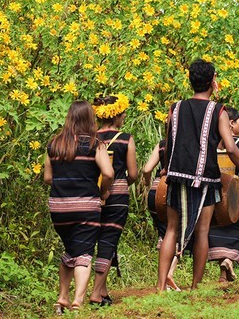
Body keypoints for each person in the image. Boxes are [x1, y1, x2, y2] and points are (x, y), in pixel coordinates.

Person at [156, 59, 239, 292]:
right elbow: (230, 147)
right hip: (206, 180)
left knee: (171, 229)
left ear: (191, 81)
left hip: (177, 175)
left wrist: (168, 168)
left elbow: (170, 142)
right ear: (213, 82)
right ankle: (195, 287)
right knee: (202, 231)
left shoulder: (175, 107)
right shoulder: (217, 110)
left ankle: (160, 286)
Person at [44, 101, 113, 314]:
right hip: (85, 205)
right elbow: (109, 173)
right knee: (83, 253)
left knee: (71, 250)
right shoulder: (95, 144)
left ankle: (62, 298)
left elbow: (47, 178)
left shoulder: (54, 144)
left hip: (59, 208)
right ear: (89, 119)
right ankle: (77, 302)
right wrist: (104, 192)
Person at [90, 94, 138, 306]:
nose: (125, 117)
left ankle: (103, 291)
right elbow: (134, 174)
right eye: (123, 114)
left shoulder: (90, 138)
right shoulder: (125, 139)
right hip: (117, 195)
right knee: (109, 240)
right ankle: (95, 292)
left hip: (91, 194)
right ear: (116, 116)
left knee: (96, 239)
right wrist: (122, 183)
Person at [207, 107, 239, 281]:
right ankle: (229, 259)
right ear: (231, 123)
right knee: (238, 231)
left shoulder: (211, 143)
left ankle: (223, 273)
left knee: (219, 230)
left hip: (217, 194)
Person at [141, 139, 180, 291]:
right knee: (178, 233)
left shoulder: (162, 144)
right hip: (173, 188)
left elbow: (146, 169)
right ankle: (169, 273)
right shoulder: (186, 140)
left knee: (164, 234)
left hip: (156, 191)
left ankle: (162, 280)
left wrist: (146, 183)